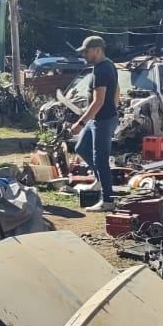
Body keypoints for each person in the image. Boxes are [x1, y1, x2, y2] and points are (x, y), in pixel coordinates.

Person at [70, 36, 119, 212]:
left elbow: (98, 101)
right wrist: (114, 107)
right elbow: (117, 91)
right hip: (98, 119)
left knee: (101, 160)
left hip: (103, 120)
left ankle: (108, 201)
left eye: (87, 51)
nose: (84, 54)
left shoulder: (102, 70)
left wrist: (81, 123)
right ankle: (100, 181)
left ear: (98, 50)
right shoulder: (107, 65)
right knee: (81, 148)